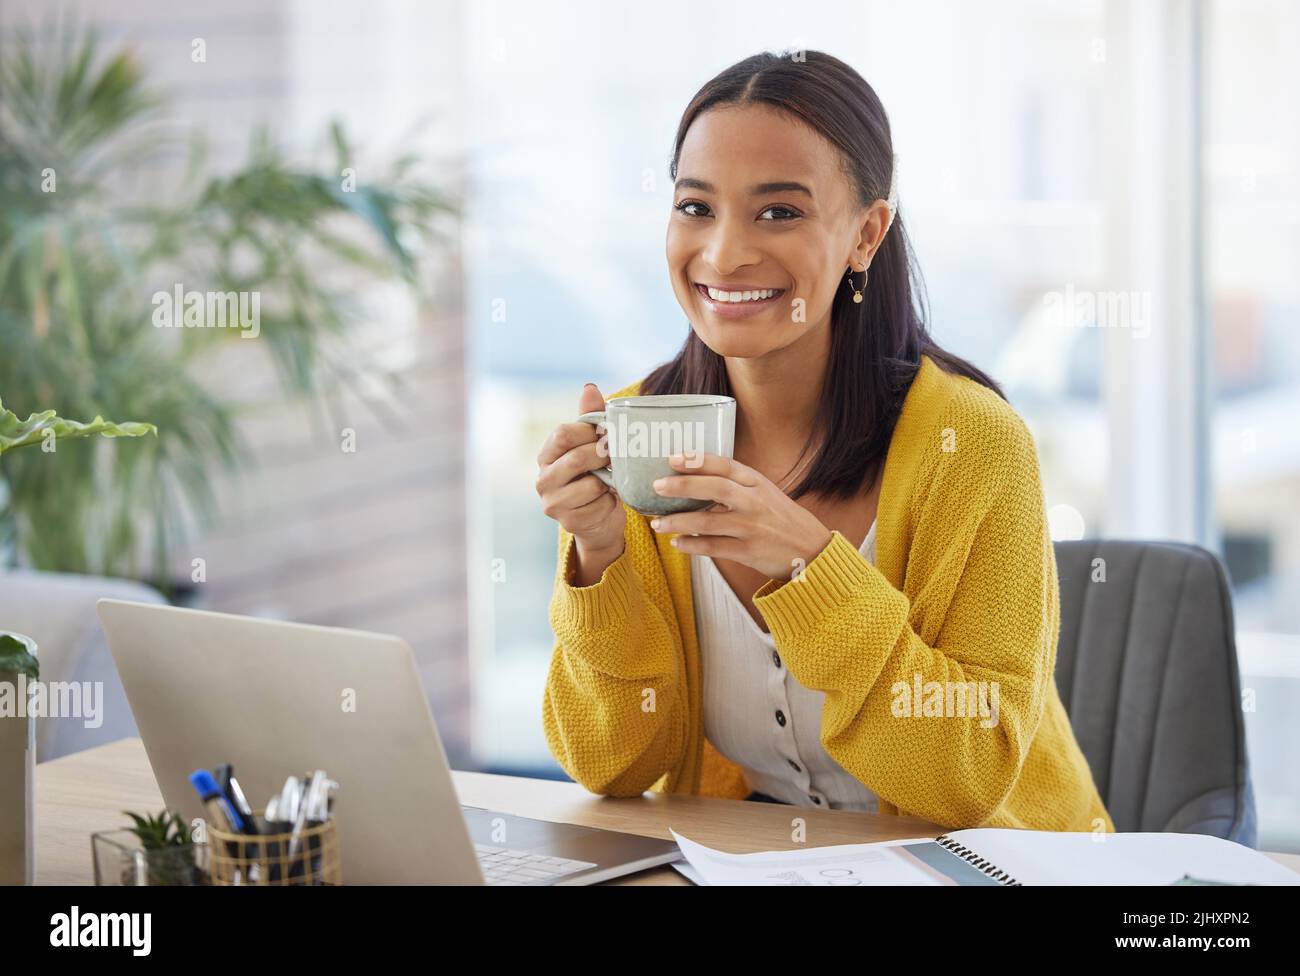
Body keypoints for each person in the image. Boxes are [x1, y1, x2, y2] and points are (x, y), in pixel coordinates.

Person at [535, 49, 1112, 832]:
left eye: (779, 212)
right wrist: (601, 558)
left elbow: (966, 777)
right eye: (696, 207)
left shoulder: (971, 444)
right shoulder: (640, 433)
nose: (725, 253)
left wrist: (812, 572)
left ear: (867, 233)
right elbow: (613, 767)